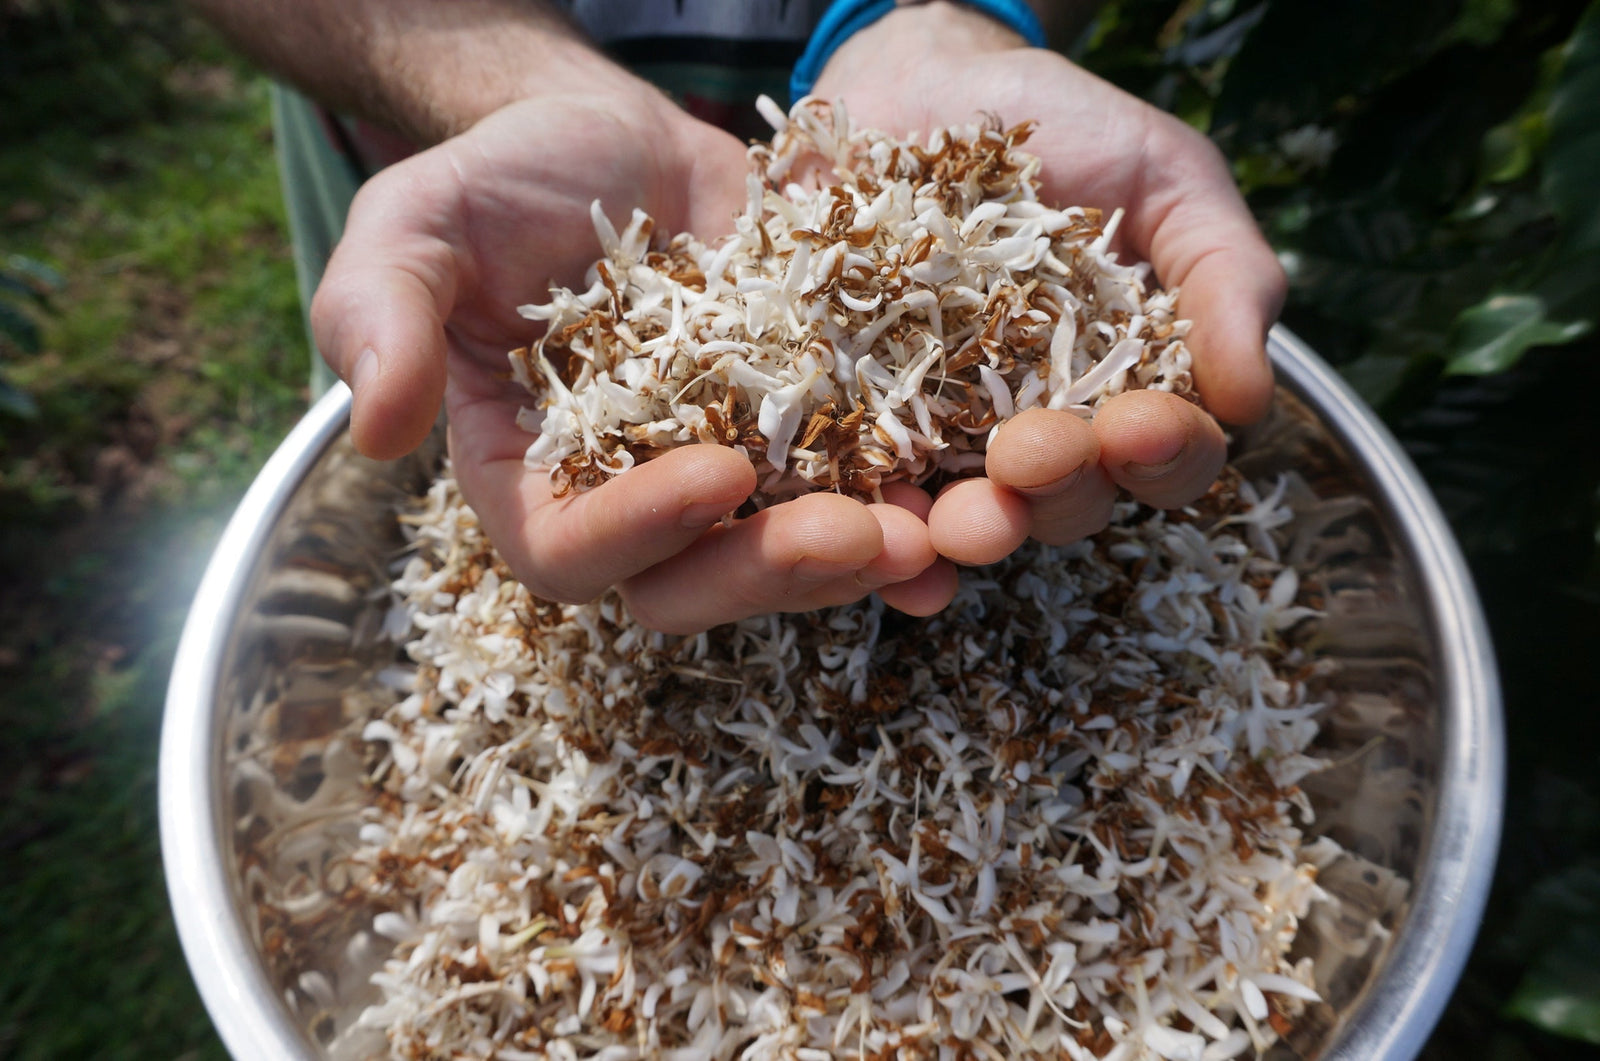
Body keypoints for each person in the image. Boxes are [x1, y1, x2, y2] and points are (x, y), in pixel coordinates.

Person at [189, 0, 1285, 634]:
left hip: (873, 85)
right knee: (424, 398)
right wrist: (506, 84)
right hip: (469, 161)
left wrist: (958, 18)